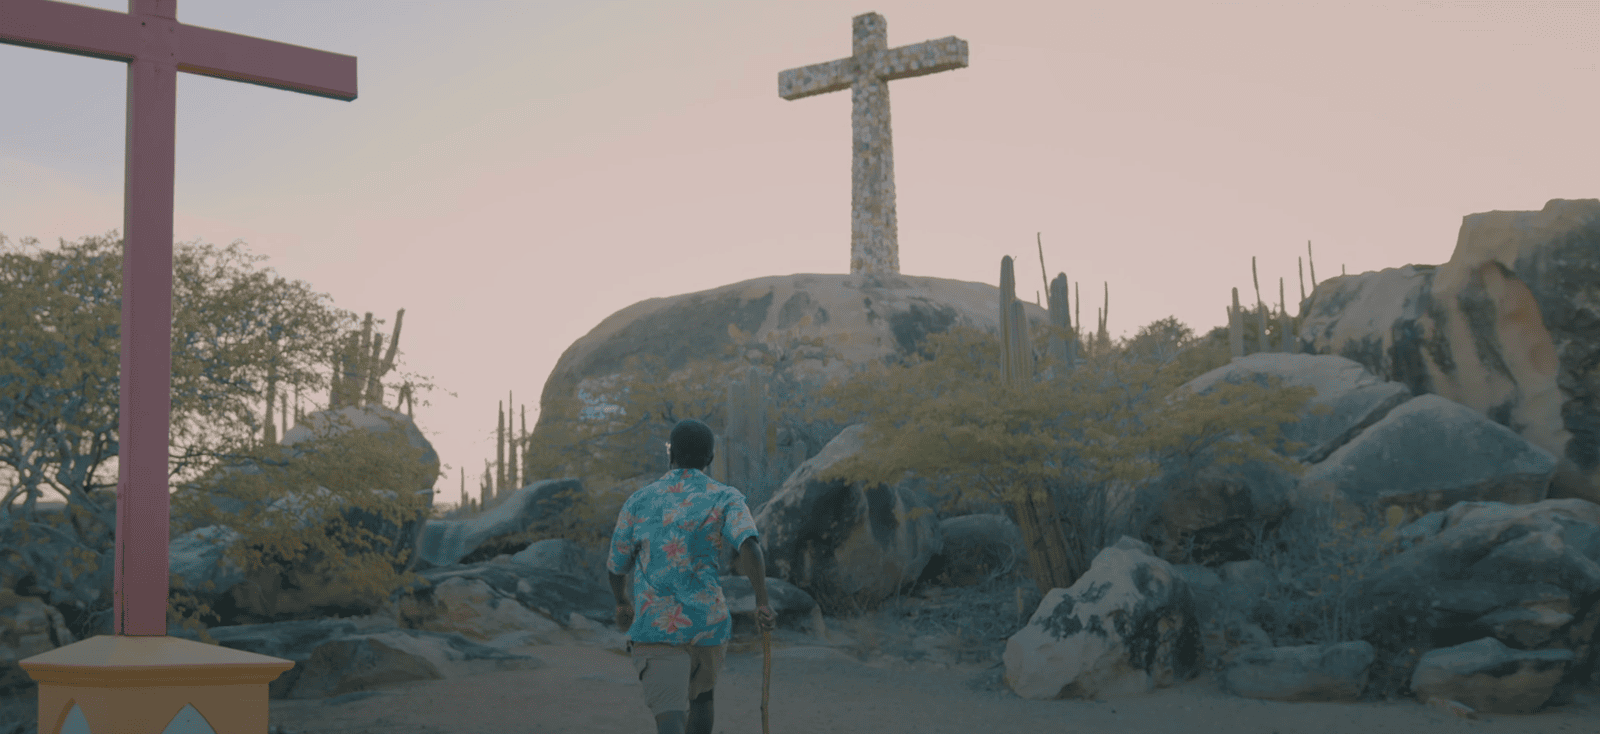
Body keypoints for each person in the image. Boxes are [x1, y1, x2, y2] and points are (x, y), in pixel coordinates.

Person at [608, 418, 777, 734]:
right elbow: (750, 546)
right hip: (707, 623)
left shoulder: (639, 501)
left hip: (657, 627)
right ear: (710, 458)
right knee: (702, 699)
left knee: (669, 714)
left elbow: (617, 564)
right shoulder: (725, 497)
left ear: (670, 453)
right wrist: (762, 602)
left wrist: (621, 601)